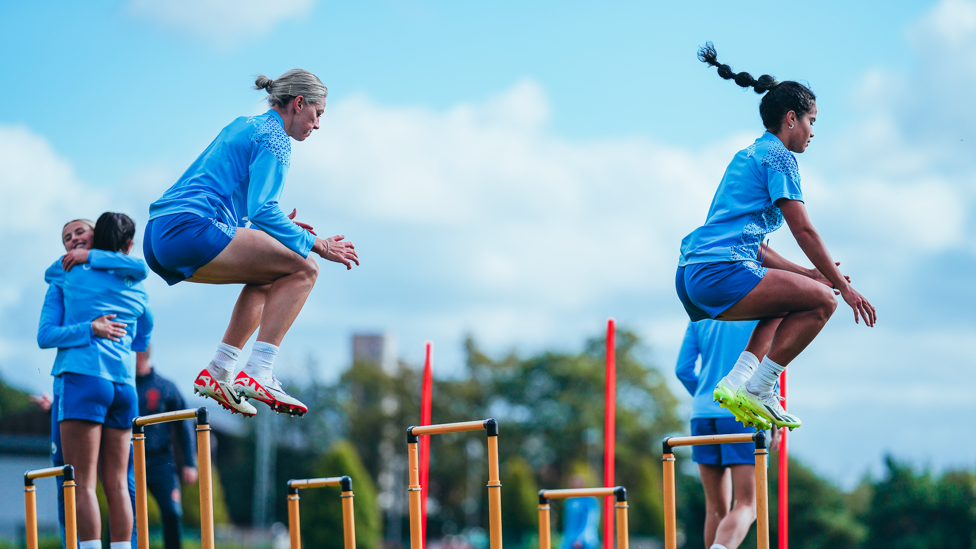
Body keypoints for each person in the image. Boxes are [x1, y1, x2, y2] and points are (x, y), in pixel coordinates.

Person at [675, 43, 876, 430]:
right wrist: (838, 287)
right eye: (811, 121)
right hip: (718, 271)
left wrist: (810, 273)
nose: (813, 132)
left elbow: (756, 247)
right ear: (790, 118)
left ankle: (737, 383)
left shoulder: (747, 154)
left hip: (693, 274)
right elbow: (803, 229)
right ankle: (761, 386)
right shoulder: (780, 157)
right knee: (822, 303)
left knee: (792, 296)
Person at [144, 69, 359, 417]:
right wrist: (317, 243)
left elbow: (236, 202)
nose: (317, 124)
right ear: (299, 103)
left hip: (158, 237)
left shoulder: (245, 123)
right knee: (304, 267)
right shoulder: (276, 138)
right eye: (317, 114)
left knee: (270, 276)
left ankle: (219, 370)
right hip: (189, 229)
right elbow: (263, 210)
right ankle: (260, 371)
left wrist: (280, 228)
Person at [39, 213, 153, 549]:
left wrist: (89, 328)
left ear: (96, 238)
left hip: (85, 379)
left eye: (79, 233)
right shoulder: (134, 282)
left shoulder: (67, 273)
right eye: (66, 239)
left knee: (82, 482)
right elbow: (144, 333)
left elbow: (46, 327)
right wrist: (122, 340)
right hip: (124, 386)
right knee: (118, 483)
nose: (72, 242)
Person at [675, 319, 781, 549]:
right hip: (742, 412)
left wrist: (712, 398)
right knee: (747, 504)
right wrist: (773, 413)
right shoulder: (760, 309)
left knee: (714, 508)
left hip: (702, 415)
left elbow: (682, 369)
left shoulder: (699, 316)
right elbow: (771, 360)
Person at [135, 347, 197, 549]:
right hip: (129, 461)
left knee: (172, 512)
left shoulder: (166, 387)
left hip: (161, 461)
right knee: (122, 513)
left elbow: (185, 425)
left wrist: (189, 462)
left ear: (140, 354)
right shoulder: (123, 387)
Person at [557, 475, 600, 549]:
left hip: (586, 540)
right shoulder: (569, 501)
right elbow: (567, 523)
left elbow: (590, 521)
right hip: (569, 538)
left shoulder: (589, 500)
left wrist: (580, 538)